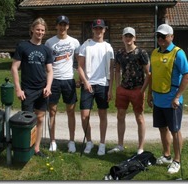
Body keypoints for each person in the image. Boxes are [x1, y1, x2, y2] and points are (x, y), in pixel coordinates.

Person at [147, 24, 188, 174]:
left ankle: (177, 160)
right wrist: (149, 94)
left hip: (172, 101)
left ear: (171, 37)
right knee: (162, 128)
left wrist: (177, 97)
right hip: (158, 99)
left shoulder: (178, 53)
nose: (160, 39)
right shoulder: (154, 53)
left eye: (164, 36)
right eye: (158, 36)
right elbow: (152, 75)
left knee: (175, 130)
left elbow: (187, 76)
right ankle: (167, 155)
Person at [11, 17, 53, 157]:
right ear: (32, 30)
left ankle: (36, 148)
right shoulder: (23, 46)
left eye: (42, 30)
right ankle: (25, 147)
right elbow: (14, 68)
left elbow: (50, 71)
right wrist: (18, 89)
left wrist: (48, 86)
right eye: (37, 30)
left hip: (42, 90)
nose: (40, 32)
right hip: (27, 90)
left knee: (40, 118)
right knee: (27, 120)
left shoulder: (46, 50)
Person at [108, 27, 150, 155]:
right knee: (120, 116)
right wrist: (118, 87)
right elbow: (117, 70)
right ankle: (120, 144)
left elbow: (148, 73)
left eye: (130, 36)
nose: (128, 39)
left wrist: (142, 90)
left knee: (139, 118)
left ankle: (140, 148)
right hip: (123, 89)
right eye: (126, 36)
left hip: (137, 89)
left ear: (134, 38)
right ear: (122, 38)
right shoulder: (120, 53)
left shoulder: (141, 53)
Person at [77, 19, 114, 156]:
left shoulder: (108, 47)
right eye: (96, 28)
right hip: (88, 84)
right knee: (84, 115)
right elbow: (80, 66)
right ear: (92, 29)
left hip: (103, 85)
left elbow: (111, 69)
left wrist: (110, 89)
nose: (98, 31)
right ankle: (89, 141)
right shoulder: (86, 45)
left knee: (102, 114)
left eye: (101, 28)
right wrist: (85, 82)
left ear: (104, 30)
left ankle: (102, 144)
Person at [45, 15, 80, 153]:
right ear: (56, 26)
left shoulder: (74, 42)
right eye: (60, 24)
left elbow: (79, 62)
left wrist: (80, 78)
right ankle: (52, 141)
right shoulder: (49, 43)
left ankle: (71, 141)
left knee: (70, 111)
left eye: (65, 25)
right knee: (52, 111)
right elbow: (46, 64)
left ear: (68, 26)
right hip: (53, 80)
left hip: (68, 80)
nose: (62, 27)